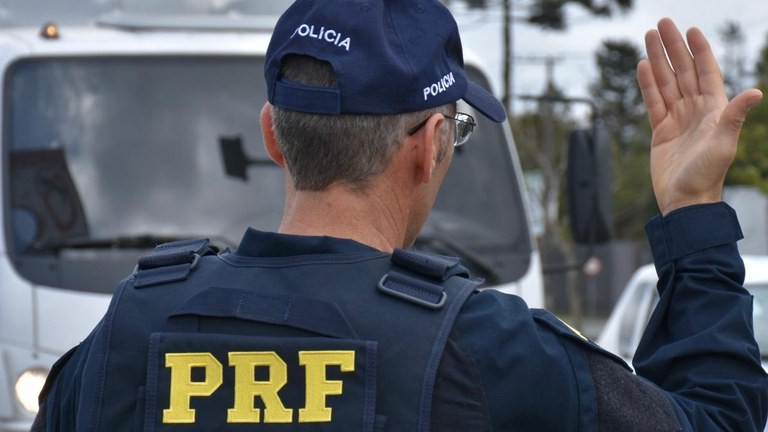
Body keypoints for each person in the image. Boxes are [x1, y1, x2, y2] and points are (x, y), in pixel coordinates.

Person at [33, 0, 767, 430]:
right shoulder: (495, 351)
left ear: (272, 138)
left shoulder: (122, 338)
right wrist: (692, 211)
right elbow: (714, 421)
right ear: (431, 144)